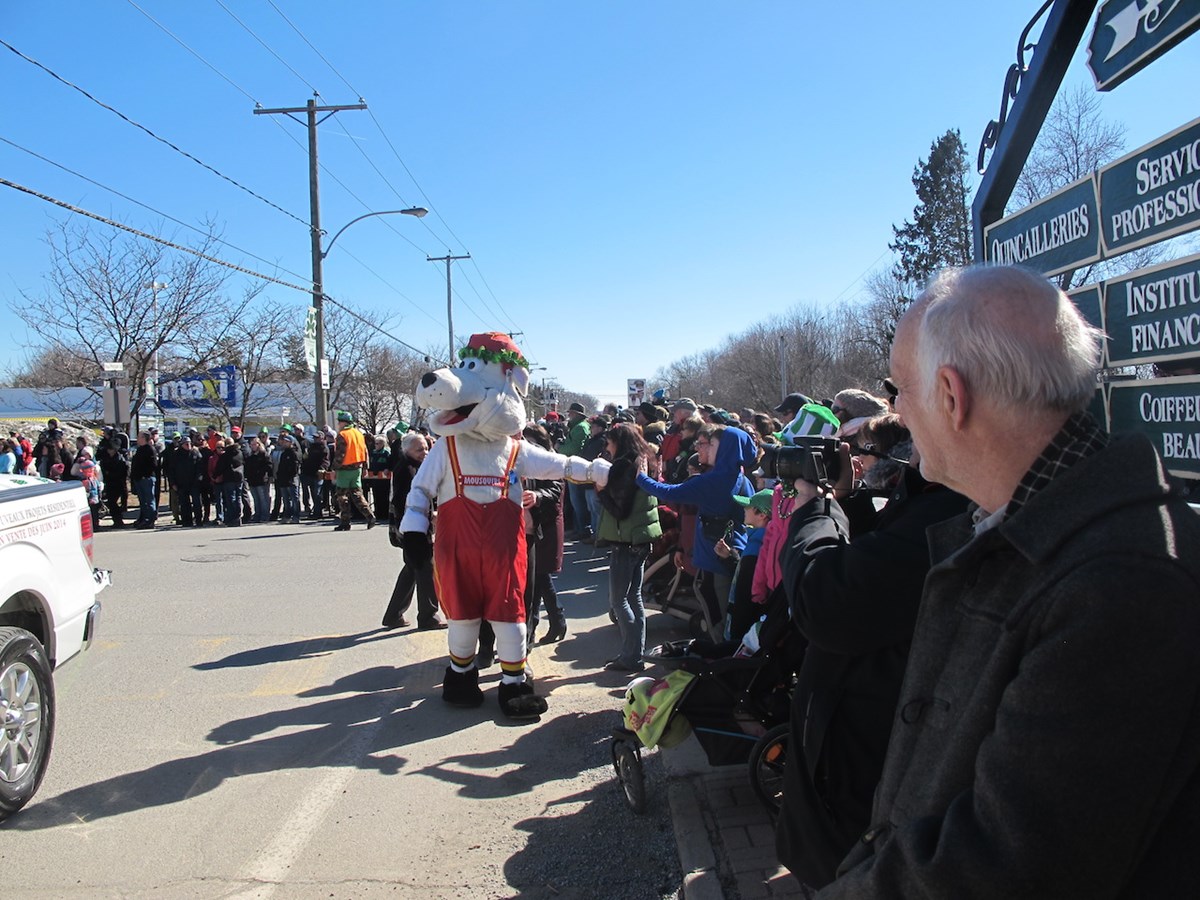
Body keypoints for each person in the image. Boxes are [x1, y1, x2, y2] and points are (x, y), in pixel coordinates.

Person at [818, 264, 1200, 897]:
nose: (897, 412)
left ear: (951, 394)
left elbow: (1005, 865)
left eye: (899, 391)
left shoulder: (1117, 583)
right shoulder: (1032, 529)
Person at [774, 414, 967, 888]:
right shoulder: (934, 495)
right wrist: (848, 499)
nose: (900, 411)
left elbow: (826, 601)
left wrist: (813, 510)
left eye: (904, 393)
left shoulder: (954, 509)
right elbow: (877, 554)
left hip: (864, 772)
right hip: (858, 754)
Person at [634, 424, 758, 637]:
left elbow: (669, 493)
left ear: (726, 448)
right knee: (731, 611)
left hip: (714, 557)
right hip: (735, 551)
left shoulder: (713, 480)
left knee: (718, 614)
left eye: (712, 444)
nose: (707, 448)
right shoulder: (741, 478)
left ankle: (723, 659)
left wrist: (642, 478)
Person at [596, 423, 662, 672]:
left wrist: (601, 492)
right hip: (642, 537)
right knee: (633, 597)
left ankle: (631, 656)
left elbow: (620, 510)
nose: (607, 447)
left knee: (618, 600)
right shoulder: (646, 459)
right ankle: (635, 654)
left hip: (627, 541)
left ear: (619, 442)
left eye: (609, 442)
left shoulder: (625, 465)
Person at [383, 432, 444, 630]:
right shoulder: (405, 469)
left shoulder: (417, 467)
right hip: (412, 529)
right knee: (425, 569)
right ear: (406, 450)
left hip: (414, 526)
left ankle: (394, 614)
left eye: (426, 448)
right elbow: (402, 501)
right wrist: (427, 515)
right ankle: (428, 616)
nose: (424, 453)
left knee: (411, 570)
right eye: (419, 449)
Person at [332, 411, 375, 531]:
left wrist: (335, 468)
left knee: (342, 496)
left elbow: (340, 454)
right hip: (357, 468)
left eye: (339, 421)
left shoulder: (343, 435)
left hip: (344, 469)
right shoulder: (358, 434)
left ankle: (345, 522)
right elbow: (365, 451)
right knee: (357, 494)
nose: (338, 424)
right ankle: (370, 516)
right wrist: (366, 467)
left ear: (342, 422)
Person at [556, 401, 593, 541]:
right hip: (575, 466)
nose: (569, 415)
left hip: (576, 467)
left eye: (571, 413)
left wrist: (560, 448)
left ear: (577, 414)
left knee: (577, 501)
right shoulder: (578, 427)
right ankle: (579, 528)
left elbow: (574, 448)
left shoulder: (580, 428)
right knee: (575, 500)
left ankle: (582, 529)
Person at [130, 430, 159, 529]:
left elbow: (153, 465)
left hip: (147, 479)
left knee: (149, 500)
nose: (137, 439)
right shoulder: (139, 449)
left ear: (144, 438)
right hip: (138, 479)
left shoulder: (150, 449)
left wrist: (144, 475)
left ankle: (151, 520)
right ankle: (144, 519)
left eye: (139, 437)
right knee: (143, 501)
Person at [214, 437, 245, 527]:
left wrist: (215, 476)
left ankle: (232, 518)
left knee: (231, 498)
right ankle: (238, 517)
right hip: (239, 477)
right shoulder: (240, 453)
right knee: (238, 497)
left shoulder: (226, 454)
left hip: (229, 478)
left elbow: (220, 467)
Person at [244, 436, 274, 523]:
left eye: (254, 444)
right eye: (251, 444)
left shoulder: (264, 454)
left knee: (263, 498)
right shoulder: (250, 456)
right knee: (256, 499)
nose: (253, 446)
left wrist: (268, 477)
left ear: (258, 444)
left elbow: (269, 466)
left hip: (262, 480)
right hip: (252, 480)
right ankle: (257, 514)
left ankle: (265, 515)